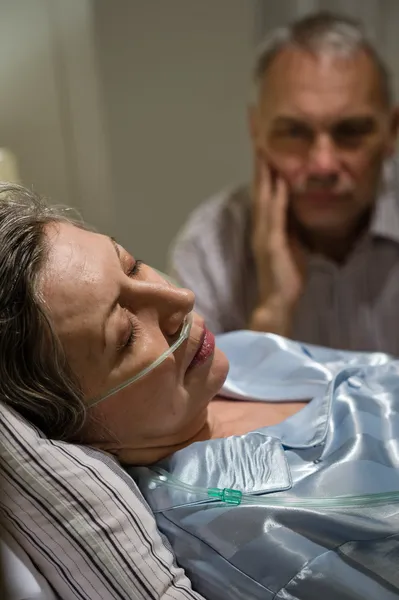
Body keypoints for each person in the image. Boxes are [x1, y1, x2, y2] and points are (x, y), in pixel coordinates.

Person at [1, 183, 399, 600]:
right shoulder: (249, 532)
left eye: (133, 266)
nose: (180, 298)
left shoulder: (224, 364)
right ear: (73, 421)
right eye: (125, 336)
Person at [169, 11, 399, 355]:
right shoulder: (210, 248)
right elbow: (202, 409)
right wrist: (274, 307)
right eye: (294, 132)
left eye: (350, 131)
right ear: (256, 131)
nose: (323, 165)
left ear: (392, 131)